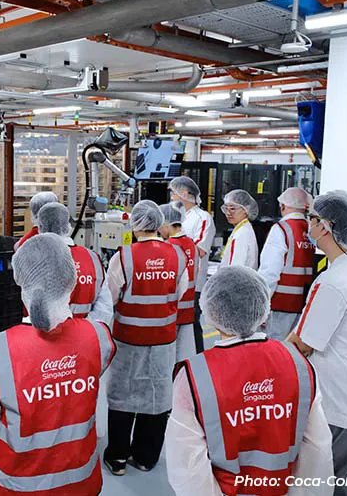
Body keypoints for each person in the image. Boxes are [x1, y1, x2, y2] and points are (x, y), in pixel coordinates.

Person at [166, 266, 334, 496]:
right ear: (264, 310)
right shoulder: (298, 364)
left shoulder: (195, 376)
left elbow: (188, 469)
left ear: (210, 313)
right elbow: (318, 451)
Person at [0, 233, 115, 495]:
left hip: (15, 486)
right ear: (71, 282)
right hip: (81, 484)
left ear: (20, 281)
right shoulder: (99, 338)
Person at [287, 190, 347, 496]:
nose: (308, 225)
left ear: (326, 227)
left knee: (328, 487)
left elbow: (302, 344)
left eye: (312, 219)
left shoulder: (336, 282)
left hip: (338, 407)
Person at [104, 200, 188, 476]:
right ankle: (146, 456)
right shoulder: (177, 256)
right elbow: (180, 291)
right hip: (163, 339)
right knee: (157, 396)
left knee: (122, 396)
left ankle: (117, 457)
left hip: (128, 339)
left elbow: (109, 298)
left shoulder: (123, 257)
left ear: (134, 224)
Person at [37, 202, 112, 325]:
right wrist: (81, 331)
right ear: (68, 225)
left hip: (44, 339)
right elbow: (104, 309)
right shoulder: (93, 259)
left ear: (40, 227)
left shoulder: (32, 259)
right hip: (84, 338)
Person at [258, 188, 316, 340]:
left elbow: (269, 272)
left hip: (281, 304)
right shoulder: (313, 230)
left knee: (278, 351)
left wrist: (261, 304)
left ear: (283, 206)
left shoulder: (282, 229)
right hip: (306, 304)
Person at [168, 176, 213, 355]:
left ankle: (197, 361)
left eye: (173, 193)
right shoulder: (175, 216)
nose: (171, 197)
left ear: (185, 194)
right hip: (172, 282)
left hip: (193, 284)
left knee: (192, 324)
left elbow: (198, 250)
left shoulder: (203, 218)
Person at [160, 202, 201, 364]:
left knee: (167, 361)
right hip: (188, 311)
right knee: (184, 359)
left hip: (171, 312)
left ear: (167, 224)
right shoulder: (192, 244)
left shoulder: (167, 247)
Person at [220, 189, 259, 269]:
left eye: (233, 209)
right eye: (226, 208)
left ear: (246, 210)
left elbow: (234, 268)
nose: (228, 213)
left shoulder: (241, 234)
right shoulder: (243, 229)